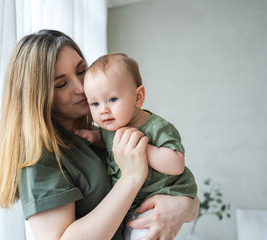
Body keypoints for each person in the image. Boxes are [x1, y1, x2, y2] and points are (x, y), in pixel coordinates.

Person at [0, 29, 199, 240]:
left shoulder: (101, 134)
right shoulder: (40, 157)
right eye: (62, 83)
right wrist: (132, 177)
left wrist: (184, 205)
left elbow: (175, 185)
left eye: (81, 71)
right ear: (39, 96)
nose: (81, 88)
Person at [76, 53, 198, 239]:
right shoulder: (110, 128)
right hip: (130, 207)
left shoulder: (156, 127)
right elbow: (108, 143)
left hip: (160, 199)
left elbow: (176, 164)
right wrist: (95, 137)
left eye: (112, 99)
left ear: (138, 97)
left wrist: (143, 149)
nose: (103, 110)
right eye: (94, 103)